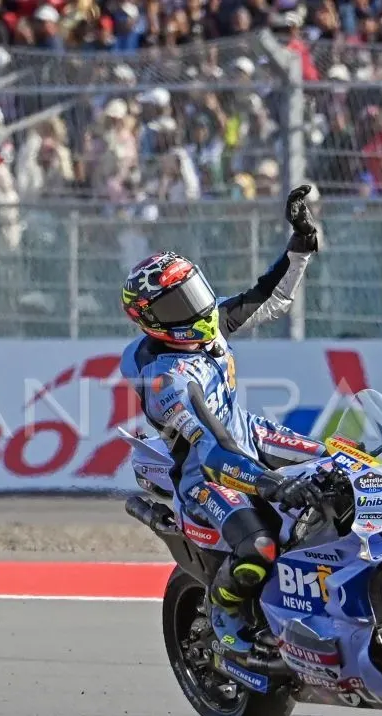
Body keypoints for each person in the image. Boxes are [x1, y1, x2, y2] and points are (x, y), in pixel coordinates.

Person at [120, 184, 325, 654]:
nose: (196, 308)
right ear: (153, 320)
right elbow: (213, 452)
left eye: (192, 292)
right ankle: (225, 614)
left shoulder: (205, 325)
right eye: (178, 304)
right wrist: (271, 484)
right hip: (205, 474)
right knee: (260, 547)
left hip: (247, 431)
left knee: (343, 459)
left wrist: (300, 243)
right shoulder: (166, 379)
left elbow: (269, 297)